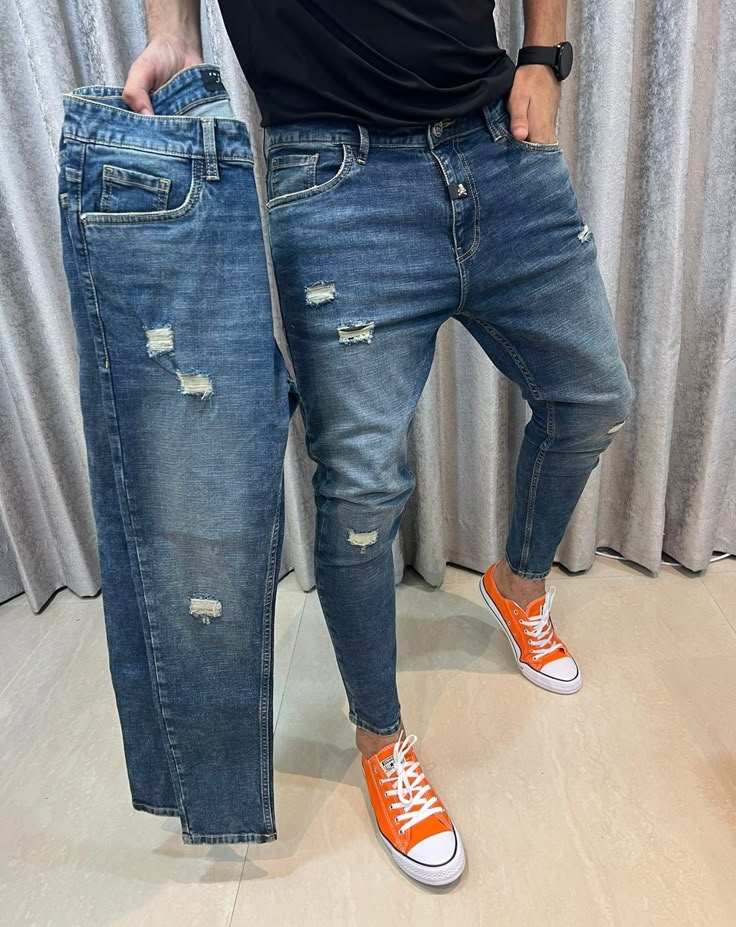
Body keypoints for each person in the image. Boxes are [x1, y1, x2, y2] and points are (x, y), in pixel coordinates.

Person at [122, 0, 634, 886]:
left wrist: (544, 54)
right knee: (361, 488)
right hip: (335, 180)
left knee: (593, 398)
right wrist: (172, 35)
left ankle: (519, 586)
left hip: (497, 145)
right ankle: (380, 737)